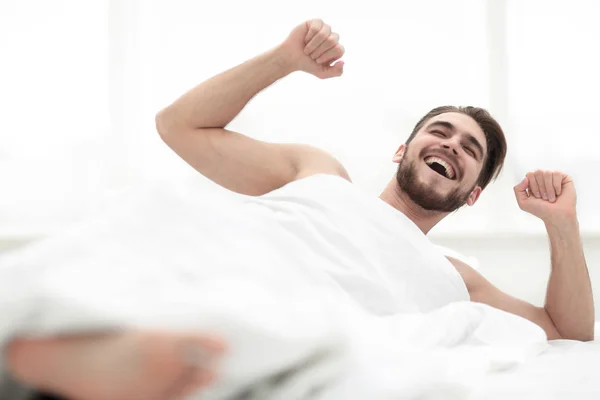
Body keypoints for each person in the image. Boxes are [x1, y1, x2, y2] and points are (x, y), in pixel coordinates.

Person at [5, 18, 595, 400]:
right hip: (231, 255)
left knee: (299, 328)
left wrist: (562, 227)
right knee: (152, 225)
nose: (450, 145)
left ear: (471, 194)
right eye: (440, 131)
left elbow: (569, 329)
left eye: (471, 151)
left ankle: (103, 356)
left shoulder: (456, 277)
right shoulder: (319, 172)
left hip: (302, 308)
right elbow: (178, 125)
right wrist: (284, 60)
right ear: (403, 149)